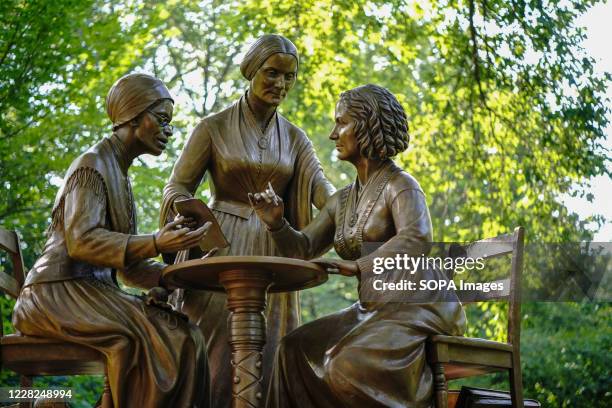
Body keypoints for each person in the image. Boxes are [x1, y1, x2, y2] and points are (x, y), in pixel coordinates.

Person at [250, 84, 466, 407]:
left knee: (344, 365)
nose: (333, 134)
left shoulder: (402, 186)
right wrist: (276, 223)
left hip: (417, 307)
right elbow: (304, 246)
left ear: (366, 127)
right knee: (291, 350)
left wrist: (360, 265)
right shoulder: (342, 200)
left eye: (341, 123)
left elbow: (417, 238)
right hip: (372, 309)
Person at [13, 73, 211, 408]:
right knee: (141, 339)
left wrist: (176, 274)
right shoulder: (92, 166)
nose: (168, 131)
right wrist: (156, 242)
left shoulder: (119, 173)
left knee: (186, 334)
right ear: (133, 116)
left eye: (170, 123)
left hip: (90, 291)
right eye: (162, 120)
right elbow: (82, 242)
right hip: (56, 292)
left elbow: (128, 269)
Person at [159, 34, 334, 407]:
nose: (280, 85)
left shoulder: (296, 138)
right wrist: (192, 215)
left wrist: (354, 204)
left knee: (270, 352)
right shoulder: (212, 127)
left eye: (289, 77)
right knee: (212, 349)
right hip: (220, 250)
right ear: (252, 71)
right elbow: (177, 186)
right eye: (272, 73)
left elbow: (323, 190)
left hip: (275, 253)